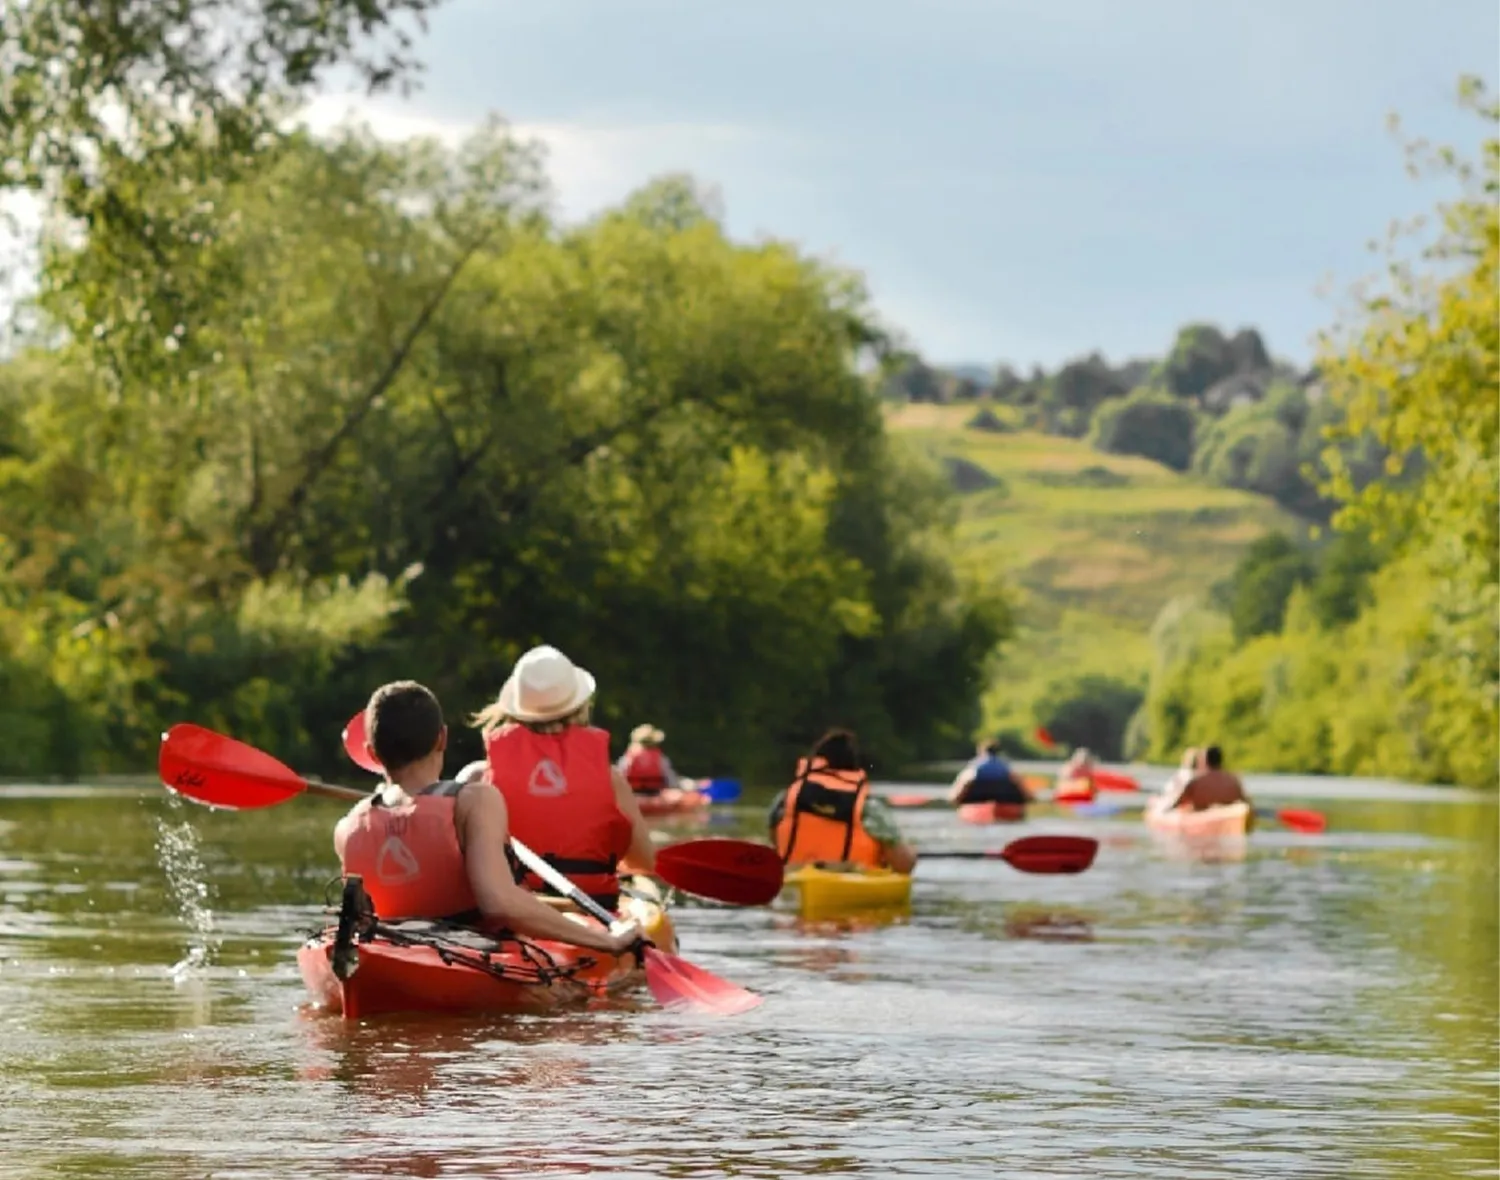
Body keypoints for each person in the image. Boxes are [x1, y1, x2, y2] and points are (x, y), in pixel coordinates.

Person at [332, 680, 642, 956]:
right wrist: (607, 941)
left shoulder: (349, 826)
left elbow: (360, 920)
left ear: (371, 754)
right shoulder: (474, 801)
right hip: (473, 952)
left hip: (390, 950)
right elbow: (499, 904)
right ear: (442, 738)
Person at [472, 644, 657, 911]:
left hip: (516, 908)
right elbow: (644, 862)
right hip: (593, 906)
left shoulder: (480, 779)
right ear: (580, 706)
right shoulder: (611, 778)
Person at [768, 729, 918, 874]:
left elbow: (776, 841)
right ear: (853, 766)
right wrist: (911, 853)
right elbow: (903, 865)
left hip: (793, 877)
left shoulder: (786, 799)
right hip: (848, 882)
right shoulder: (869, 808)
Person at [948, 739, 1030, 808]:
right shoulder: (1004, 764)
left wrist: (954, 798)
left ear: (981, 751)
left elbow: (966, 779)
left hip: (979, 796)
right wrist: (1028, 797)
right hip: (1002, 795)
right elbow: (1017, 780)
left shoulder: (975, 764)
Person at [1171, 745, 1250, 811]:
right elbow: (1245, 802)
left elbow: (1177, 804)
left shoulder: (1196, 782)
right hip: (1225, 814)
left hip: (1203, 815)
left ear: (1205, 761)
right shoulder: (1234, 780)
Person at [617, 723, 682, 797]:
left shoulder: (628, 757)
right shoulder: (661, 758)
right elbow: (671, 779)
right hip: (655, 794)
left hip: (633, 794)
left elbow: (620, 774)